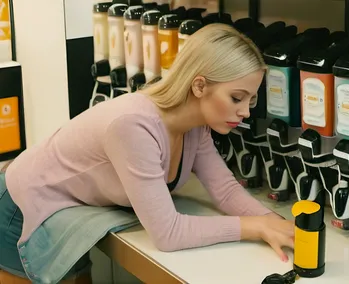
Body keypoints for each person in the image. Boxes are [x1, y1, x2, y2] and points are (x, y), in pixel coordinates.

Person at [0, 23, 295, 283]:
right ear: (200, 85)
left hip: (70, 212)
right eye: (236, 98)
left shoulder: (195, 127)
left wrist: (282, 227)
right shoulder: (134, 126)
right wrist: (255, 227)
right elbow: (168, 233)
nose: (244, 112)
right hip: (21, 207)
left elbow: (226, 191)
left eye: (250, 100)